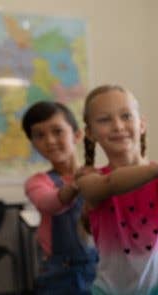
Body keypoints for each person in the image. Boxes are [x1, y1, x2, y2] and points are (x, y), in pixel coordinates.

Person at [22, 101, 97, 294]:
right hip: (59, 274)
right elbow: (50, 203)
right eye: (39, 135)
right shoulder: (37, 182)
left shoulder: (100, 176)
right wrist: (76, 185)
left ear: (77, 135)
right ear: (33, 144)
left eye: (57, 131)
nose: (49, 140)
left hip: (101, 267)